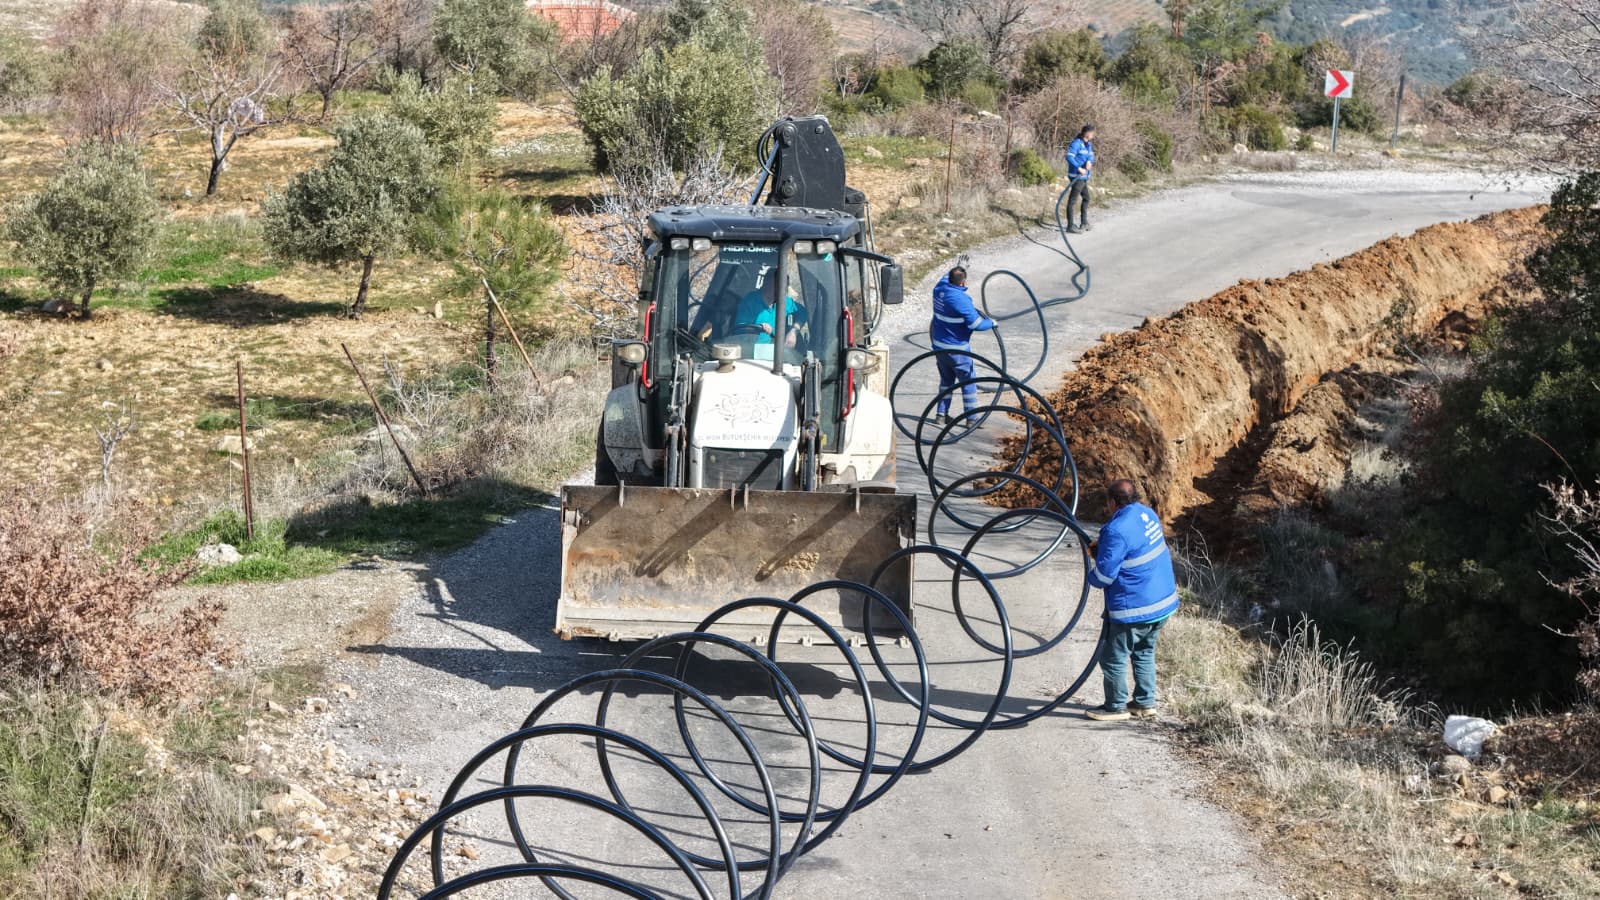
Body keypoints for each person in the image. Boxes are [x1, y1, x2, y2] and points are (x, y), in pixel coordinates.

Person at [1084, 478, 1179, 722]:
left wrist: (1091, 575)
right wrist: (1103, 550)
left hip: (1136, 609)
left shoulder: (1115, 530)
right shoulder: (1146, 514)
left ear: (1113, 502)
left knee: (1112, 657)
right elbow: (1133, 550)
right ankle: (1144, 703)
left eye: (1108, 503)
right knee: (1144, 651)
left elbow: (1105, 576)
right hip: (1163, 602)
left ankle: (1115, 706)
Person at [930, 266, 996, 427]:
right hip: (958, 350)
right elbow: (976, 324)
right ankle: (971, 418)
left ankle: (941, 415)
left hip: (939, 347)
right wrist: (992, 322)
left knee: (946, 380)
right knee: (968, 382)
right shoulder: (960, 299)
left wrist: (959, 265)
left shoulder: (939, 288)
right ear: (964, 282)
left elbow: (945, 277)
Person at [733, 270, 805, 349]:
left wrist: (794, 330)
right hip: (749, 353)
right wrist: (758, 328)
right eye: (780, 285)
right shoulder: (750, 302)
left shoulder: (785, 302)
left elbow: (802, 312)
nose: (784, 290)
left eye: (786, 286)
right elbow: (739, 330)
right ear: (766, 283)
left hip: (777, 355)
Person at [1064, 125, 1096, 235]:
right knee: (1072, 201)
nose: (1093, 135)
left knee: (1086, 198)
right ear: (1087, 133)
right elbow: (1069, 156)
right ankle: (1070, 226)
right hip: (1076, 176)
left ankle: (1084, 222)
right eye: (1092, 133)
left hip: (1083, 178)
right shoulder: (1076, 143)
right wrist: (1078, 168)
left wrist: (1089, 162)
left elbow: (1091, 156)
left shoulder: (1088, 144)